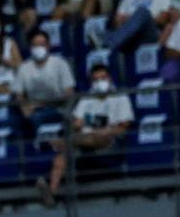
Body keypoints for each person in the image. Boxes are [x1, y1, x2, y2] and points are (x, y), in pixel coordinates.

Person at [38, 63, 134, 205]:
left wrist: (90, 122)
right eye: (96, 79)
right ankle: (52, 191)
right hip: (83, 142)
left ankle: (64, 141)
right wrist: (85, 123)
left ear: (110, 78)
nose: (100, 82)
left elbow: (124, 126)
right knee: (61, 158)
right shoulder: (87, 98)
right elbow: (76, 122)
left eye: (103, 78)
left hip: (109, 141)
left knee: (96, 135)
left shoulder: (120, 97)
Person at [13, 31, 76, 130]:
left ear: (48, 46)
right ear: (30, 47)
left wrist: (43, 103)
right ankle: (50, 143)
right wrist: (25, 108)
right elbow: (18, 95)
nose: (39, 48)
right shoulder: (23, 68)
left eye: (42, 44)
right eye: (35, 45)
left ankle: (52, 142)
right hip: (35, 110)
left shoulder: (60, 63)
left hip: (59, 107)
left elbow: (69, 92)